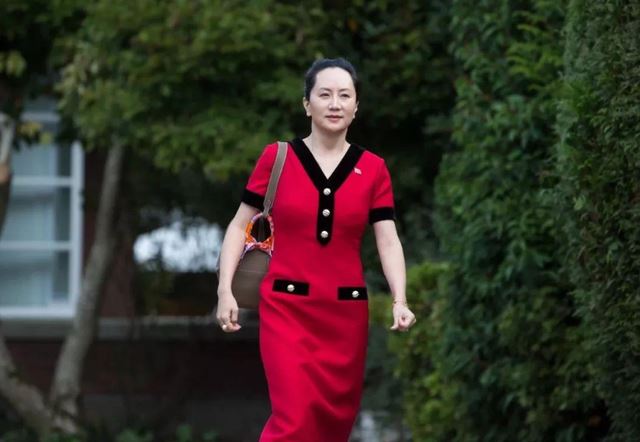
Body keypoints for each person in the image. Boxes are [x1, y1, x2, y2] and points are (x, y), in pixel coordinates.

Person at [215, 57, 416, 442]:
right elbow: (240, 225)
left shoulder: (374, 169)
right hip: (286, 308)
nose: (335, 103)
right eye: (324, 95)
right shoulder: (277, 158)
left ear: (356, 107)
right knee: (293, 421)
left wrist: (399, 299)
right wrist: (226, 289)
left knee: (332, 424)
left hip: (345, 314)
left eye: (345, 95)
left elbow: (387, 239)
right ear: (307, 104)